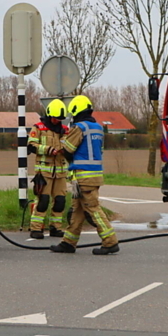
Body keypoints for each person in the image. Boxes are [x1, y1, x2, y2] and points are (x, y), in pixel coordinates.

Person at [50, 95, 119, 256]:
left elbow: (67, 149)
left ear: (76, 110)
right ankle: (68, 243)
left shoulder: (79, 127)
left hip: (83, 176)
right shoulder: (98, 127)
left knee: (93, 209)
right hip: (93, 175)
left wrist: (60, 144)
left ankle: (110, 241)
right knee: (77, 211)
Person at [28, 99, 69, 239]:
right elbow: (31, 145)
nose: (58, 121)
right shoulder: (38, 128)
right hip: (44, 172)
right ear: (49, 115)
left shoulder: (65, 130)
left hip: (61, 172)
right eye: (56, 118)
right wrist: (48, 150)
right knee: (43, 201)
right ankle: (36, 228)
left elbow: (70, 146)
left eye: (60, 119)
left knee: (60, 201)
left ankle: (55, 228)